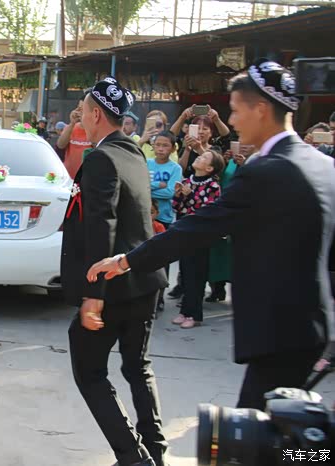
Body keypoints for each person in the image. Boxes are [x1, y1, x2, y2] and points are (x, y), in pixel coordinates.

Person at [87, 59, 335, 411]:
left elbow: (196, 228)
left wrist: (127, 261)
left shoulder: (267, 171)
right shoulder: (323, 165)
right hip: (313, 327)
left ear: (261, 110)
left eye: (235, 110)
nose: (231, 121)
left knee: (257, 434)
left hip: (279, 332)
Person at [62, 77, 168, 466]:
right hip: (145, 280)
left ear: (95, 114)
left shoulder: (101, 158)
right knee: (138, 367)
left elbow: (101, 224)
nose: (80, 117)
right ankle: (155, 451)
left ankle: (134, 457)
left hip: (114, 286)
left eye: (83, 110)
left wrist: (94, 295)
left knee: (89, 370)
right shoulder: (132, 152)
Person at [171, 150, 224, 329]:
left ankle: (194, 314)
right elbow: (177, 207)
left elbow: (208, 209)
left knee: (197, 274)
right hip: (185, 231)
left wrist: (191, 195)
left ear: (210, 168)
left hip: (200, 234)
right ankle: (185, 310)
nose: (199, 157)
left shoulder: (213, 186)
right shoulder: (188, 181)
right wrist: (179, 195)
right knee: (186, 272)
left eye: (204, 158)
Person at [147, 131, 182, 313]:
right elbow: (141, 185)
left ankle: (159, 295)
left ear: (173, 148)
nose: (160, 148)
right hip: (145, 216)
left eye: (165, 145)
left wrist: (151, 188)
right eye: (158, 144)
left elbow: (170, 192)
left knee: (161, 258)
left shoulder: (175, 168)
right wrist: (157, 185)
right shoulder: (147, 163)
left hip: (164, 217)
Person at [57, 95, 93, 178]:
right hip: (68, 177)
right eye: (79, 108)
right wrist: (72, 123)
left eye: (83, 109)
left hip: (85, 178)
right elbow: (60, 145)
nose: (79, 112)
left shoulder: (95, 130)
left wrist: (86, 124)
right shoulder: (71, 127)